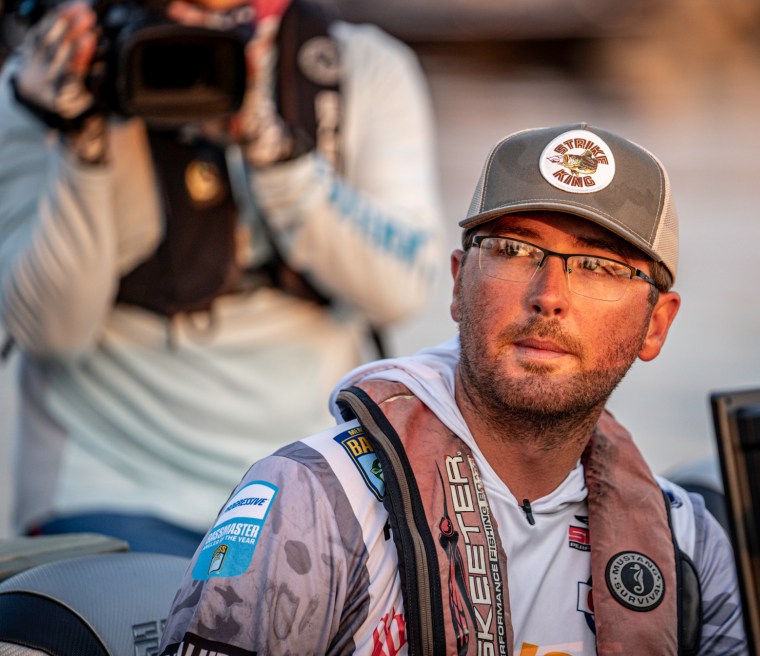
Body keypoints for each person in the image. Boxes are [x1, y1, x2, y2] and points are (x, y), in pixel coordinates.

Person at [154, 123, 751, 656]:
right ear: (459, 284)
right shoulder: (312, 500)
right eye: (515, 250)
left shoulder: (688, 543)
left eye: (597, 265)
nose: (549, 295)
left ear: (656, 325)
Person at [0, 0, 443, 556]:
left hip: (310, 480)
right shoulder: (51, 76)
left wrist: (275, 155)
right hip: (105, 482)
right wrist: (82, 142)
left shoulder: (362, 68)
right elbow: (52, 332)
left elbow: (401, 288)